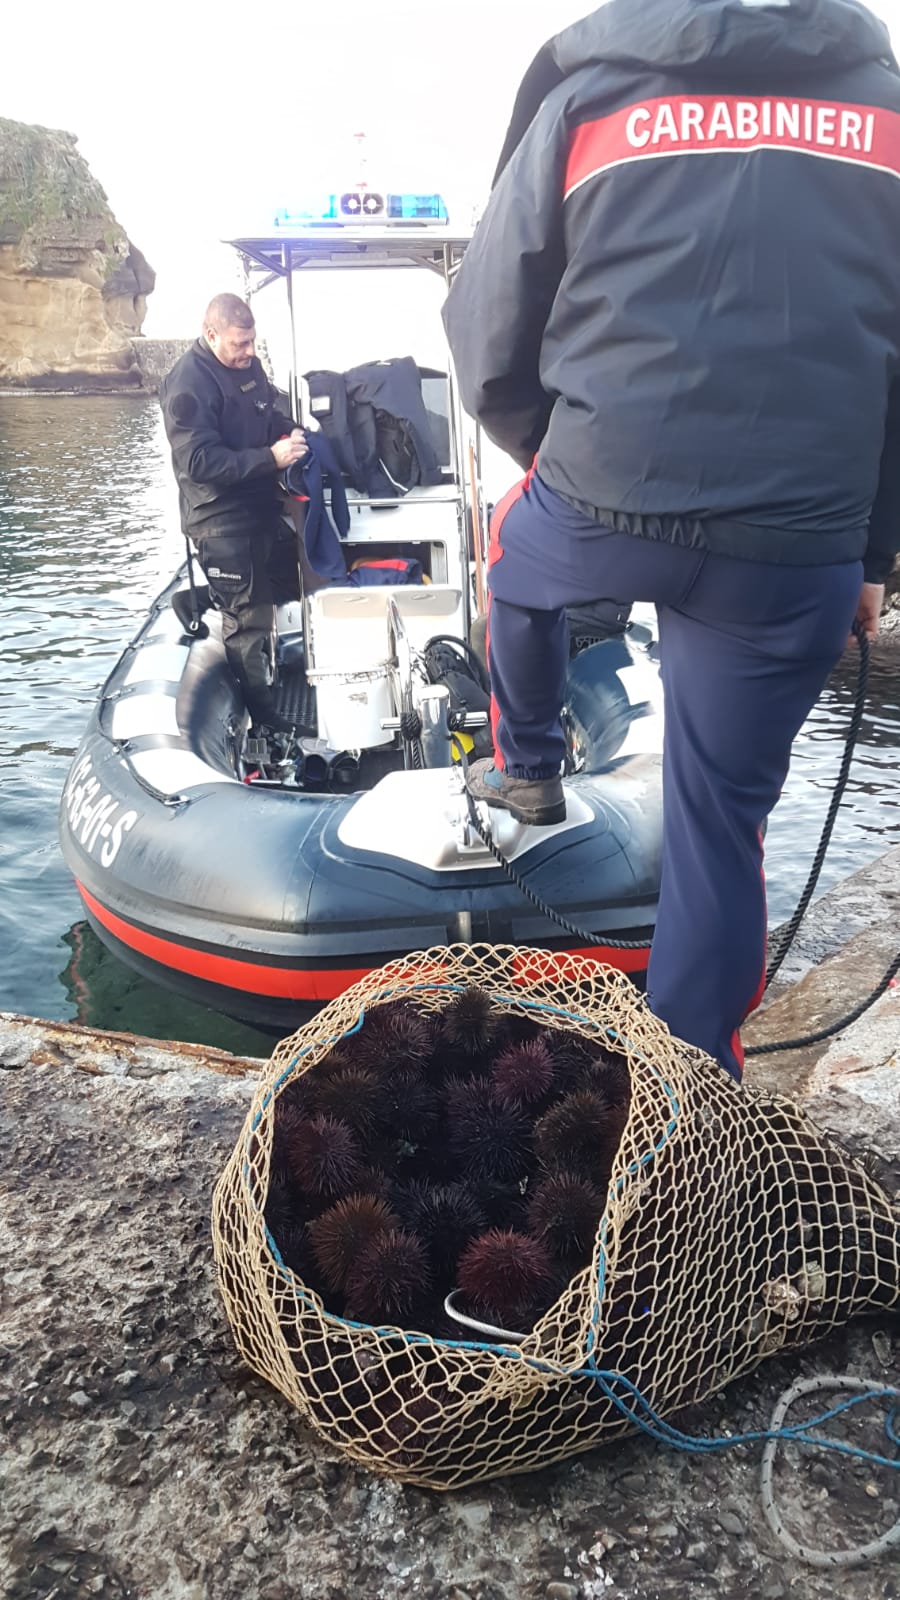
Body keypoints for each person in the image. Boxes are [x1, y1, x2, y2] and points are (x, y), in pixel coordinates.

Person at [443, 0, 900, 1082]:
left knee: (516, 555)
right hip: (795, 546)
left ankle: (530, 765)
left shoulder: (588, 94)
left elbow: (488, 318)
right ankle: (695, 1101)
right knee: (718, 828)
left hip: (600, 494)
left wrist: (551, 453)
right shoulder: (886, 114)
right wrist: (872, 555)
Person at [159, 293, 308, 715]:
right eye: (239, 344)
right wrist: (269, 458)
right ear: (211, 335)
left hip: (259, 506)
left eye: (252, 342)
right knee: (251, 620)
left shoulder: (250, 367)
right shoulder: (187, 384)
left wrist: (291, 433)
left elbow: (267, 413)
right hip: (218, 518)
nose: (248, 352)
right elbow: (198, 461)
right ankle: (265, 716)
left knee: (291, 580)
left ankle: (207, 596)